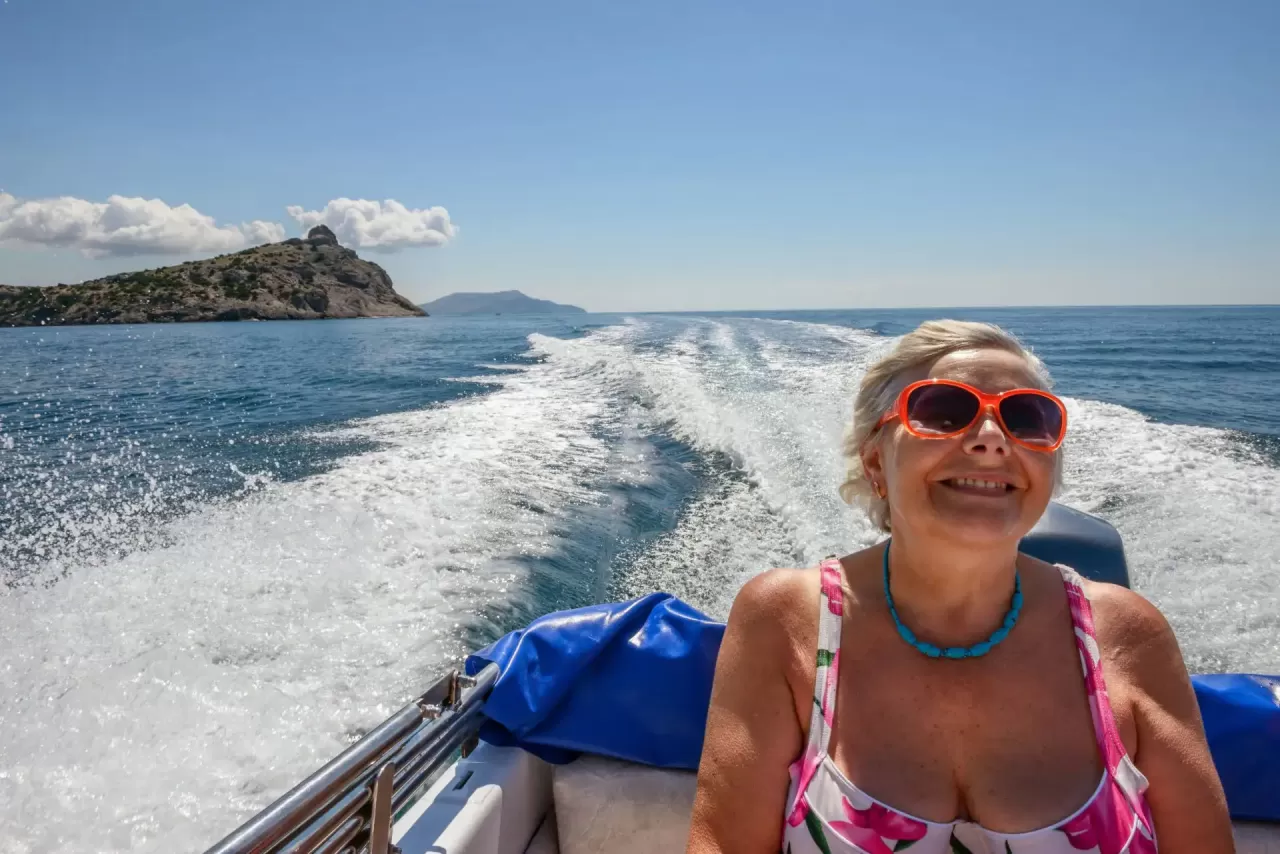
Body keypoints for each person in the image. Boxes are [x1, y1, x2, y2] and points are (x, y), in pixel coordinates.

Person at [686, 320, 1233, 854]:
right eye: (944, 411)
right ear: (876, 459)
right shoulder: (784, 620)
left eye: (1027, 418)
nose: (993, 440)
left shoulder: (1128, 632)